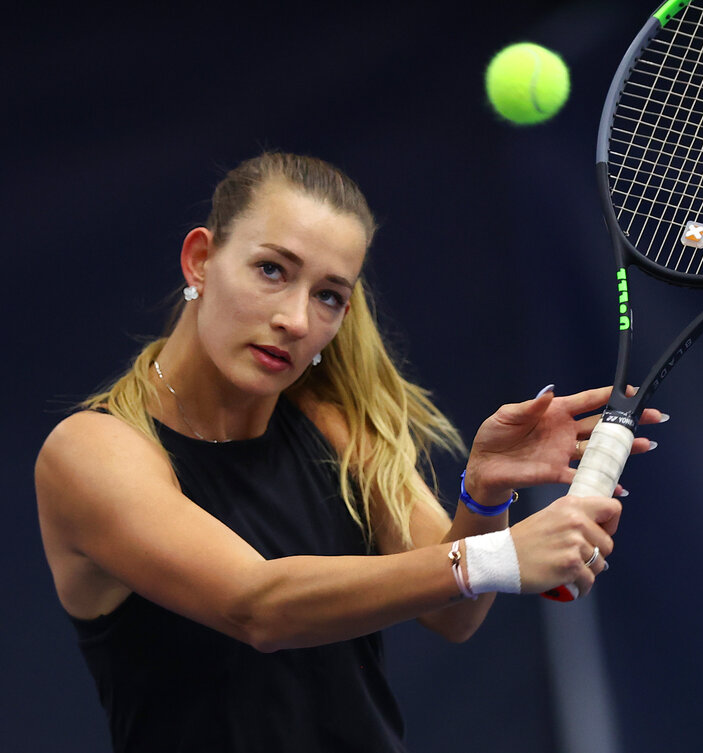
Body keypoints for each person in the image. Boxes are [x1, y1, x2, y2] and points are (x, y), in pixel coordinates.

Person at [35, 152, 661, 752]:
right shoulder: (91, 454)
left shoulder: (335, 426)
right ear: (200, 260)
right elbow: (258, 606)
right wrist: (496, 554)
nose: (297, 320)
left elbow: (454, 618)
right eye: (272, 270)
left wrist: (484, 493)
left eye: (329, 295)